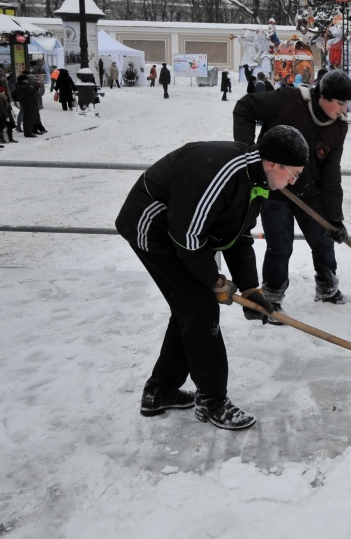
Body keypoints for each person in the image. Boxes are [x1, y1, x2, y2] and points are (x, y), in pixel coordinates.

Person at [115, 125, 310, 430]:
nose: (292, 182)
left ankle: (160, 391)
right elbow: (188, 237)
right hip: (154, 229)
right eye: (293, 174)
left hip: (182, 233)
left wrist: (250, 289)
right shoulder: (227, 172)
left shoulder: (257, 179)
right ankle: (212, 401)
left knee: (189, 310)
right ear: (273, 163)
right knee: (200, 309)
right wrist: (215, 281)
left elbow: (238, 236)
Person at [232, 69, 351, 311]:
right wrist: (247, 152)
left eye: (347, 103)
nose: (345, 109)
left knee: (324, 242)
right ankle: (272, 297)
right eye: (340, 103)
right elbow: (245, 108)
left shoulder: (338, 127)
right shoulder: (287, 99)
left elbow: (332, 172)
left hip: (311, 193)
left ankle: (327, 288)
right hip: (276, 191)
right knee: (280, 246)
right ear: (323, 96)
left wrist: (335, 218)